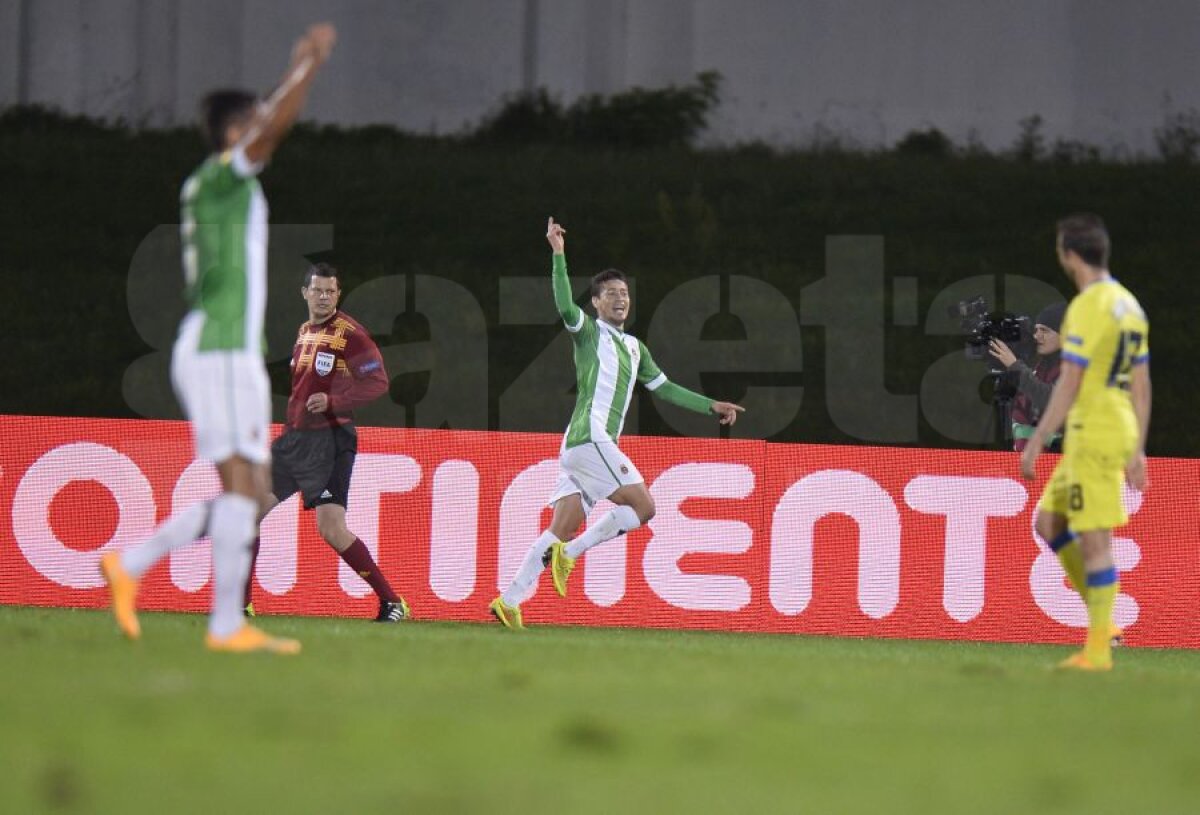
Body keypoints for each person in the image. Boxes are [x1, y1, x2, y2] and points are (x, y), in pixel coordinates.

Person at [99, 23, 337, 654]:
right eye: (254, 119)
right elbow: (272, 129)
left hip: (230, 352)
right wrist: (307, 66)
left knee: (252, 495)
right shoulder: (221, 178)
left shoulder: (225, 185)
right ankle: (221, 622)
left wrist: (292, 78)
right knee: (241, 491)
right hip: (218, 349)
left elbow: (268, 126)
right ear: (235, 132)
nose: (266, 125)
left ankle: (140, 569)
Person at [489, 218, 745, 629]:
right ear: (596, 302)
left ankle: (509, 600)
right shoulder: (589, 333)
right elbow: (563, 307)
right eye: (610, 293)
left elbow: (665, 389)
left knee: (560, 528)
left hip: (579, 446)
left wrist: (709, 405)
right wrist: (558, 254)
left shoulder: (635, 348)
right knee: (644, 507)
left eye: (624, 293)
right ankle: (571, 556)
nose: (620, 298)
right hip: (590, 438)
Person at [1020, 213, 1151, 672]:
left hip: (1096, 431)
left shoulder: (1087, 307)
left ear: (1069, 255)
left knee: (1095, 541)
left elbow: (1070, 380)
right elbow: (1142, 384)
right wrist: (1137, 446)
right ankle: (1104, 623)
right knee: (1049, 522)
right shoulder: (1129, 305)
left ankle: (1097, 650)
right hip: (1106, 428)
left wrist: (1038, 437)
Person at [244, 262, 410, 622]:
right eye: (317, 290)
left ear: (338, 294)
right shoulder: (305, 331)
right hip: (295, 440)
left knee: (331, 528)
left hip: (330, 441)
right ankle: (239, 606)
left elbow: (378, 381)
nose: (324, 297)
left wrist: (334, 400)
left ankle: (392, 601)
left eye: (330, 291)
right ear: (305, 293)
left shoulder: (351, 334)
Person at [989, 302, 1066, 451]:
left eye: (1044, 330)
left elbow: (1050, 400)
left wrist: (1014, 365)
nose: (1037, 336)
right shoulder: (1040, 367)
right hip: (1030, 459)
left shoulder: (1075, 370)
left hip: (1061, 460)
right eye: (1036, 330)